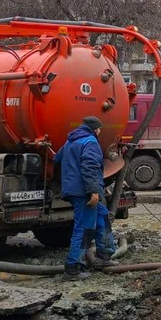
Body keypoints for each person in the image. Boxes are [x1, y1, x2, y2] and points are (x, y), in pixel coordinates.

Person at [55, 116, 115, 280]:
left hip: (74, 189)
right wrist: (94, 192)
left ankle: (104, 256)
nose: (100, 131)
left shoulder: (70, 141)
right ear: (94, 129)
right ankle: (73, 268)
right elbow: (89, 166)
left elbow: (57, 158)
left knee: (102, 216)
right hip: (84, 192)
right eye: (99, 128)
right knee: (84, 228)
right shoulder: (90, 142)